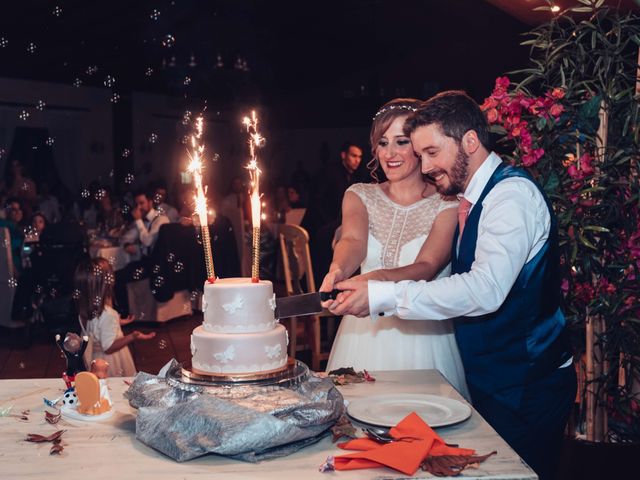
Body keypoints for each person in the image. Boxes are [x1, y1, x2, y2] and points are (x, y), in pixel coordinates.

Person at [327, 91, 575, 480]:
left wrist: (383, 292)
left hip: (527, 379)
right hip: (492, 375)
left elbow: (484, 289)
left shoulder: (510, 197)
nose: (424, 165)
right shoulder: (469, 199)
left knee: (516, 473)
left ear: (470, 142)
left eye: (430, 152)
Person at [320, 98, 468, 398]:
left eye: (401, 141)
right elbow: (353, 242)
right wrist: (338, 270)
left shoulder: (448, 203)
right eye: (382, 142)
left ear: (419, 144)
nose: (389, 153)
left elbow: (427, 267)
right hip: (363, 334)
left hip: (426, 339)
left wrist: (374, 281)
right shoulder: (359, 194)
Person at [75, 257, 156, 377]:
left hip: (95, 358)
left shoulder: (85, 309)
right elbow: (108, 347)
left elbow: (97, 327)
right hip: (111, 362)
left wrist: (119, 321)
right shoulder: (108, 314)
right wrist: (132, 336)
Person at [114, 187, 170, 316]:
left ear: (150, 202)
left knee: (120, 277)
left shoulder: (161, 220)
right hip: (144, 262)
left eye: (142, 203)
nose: (138, 208)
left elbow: (148, 241)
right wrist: (127, 244)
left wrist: (138, 221)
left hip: (156, 265)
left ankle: (125, 314)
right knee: (117, 273)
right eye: (137, 204)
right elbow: (126, 237)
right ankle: (122, 312)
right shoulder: (143, 221)